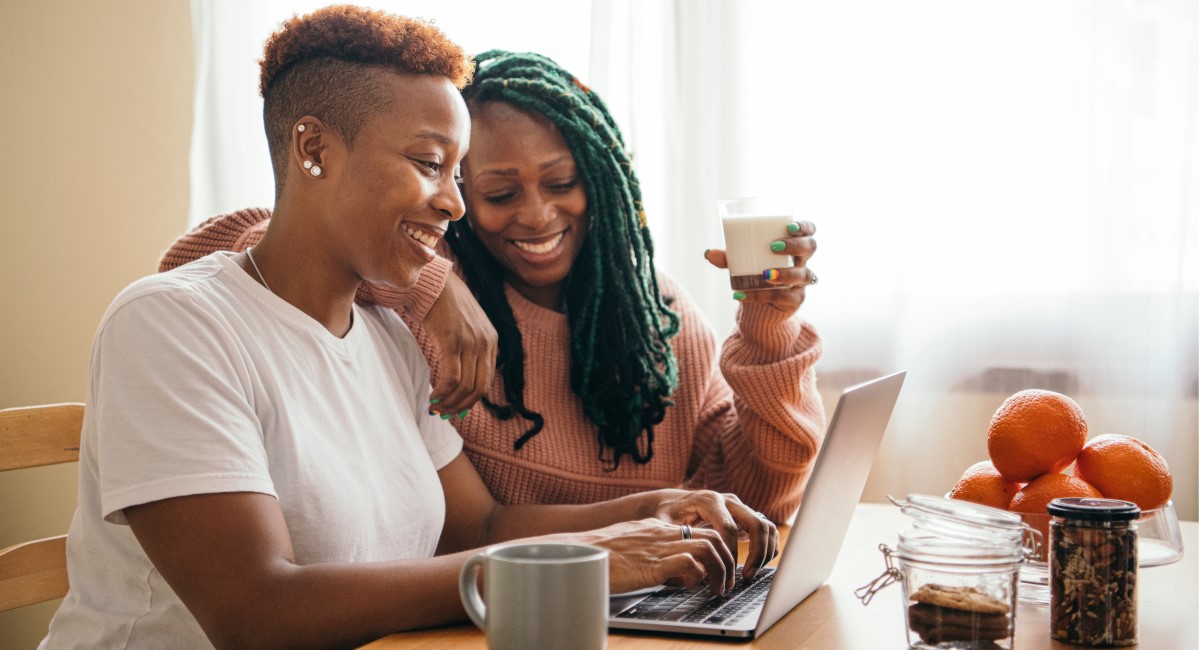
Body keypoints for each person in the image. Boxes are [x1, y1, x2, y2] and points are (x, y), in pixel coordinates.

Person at [41, 7, 776, 648]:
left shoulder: (389, 338)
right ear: (313, 149)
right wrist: (593, 553)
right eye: (430, 164)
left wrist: (647, 513)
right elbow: (256, 614)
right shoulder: (171, 326)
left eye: (458, 174)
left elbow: (478, 528)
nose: (454, 204)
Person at [161, 52, 825, 524]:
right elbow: (213, 254)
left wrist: (769, 330)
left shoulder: (659, 321)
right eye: (500, 193)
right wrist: (432, 284)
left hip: (633, 612)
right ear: (458, 193)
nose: (536, 216)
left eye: (561, 183)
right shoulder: (415, 291)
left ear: (603, 184)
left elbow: (757, 502)